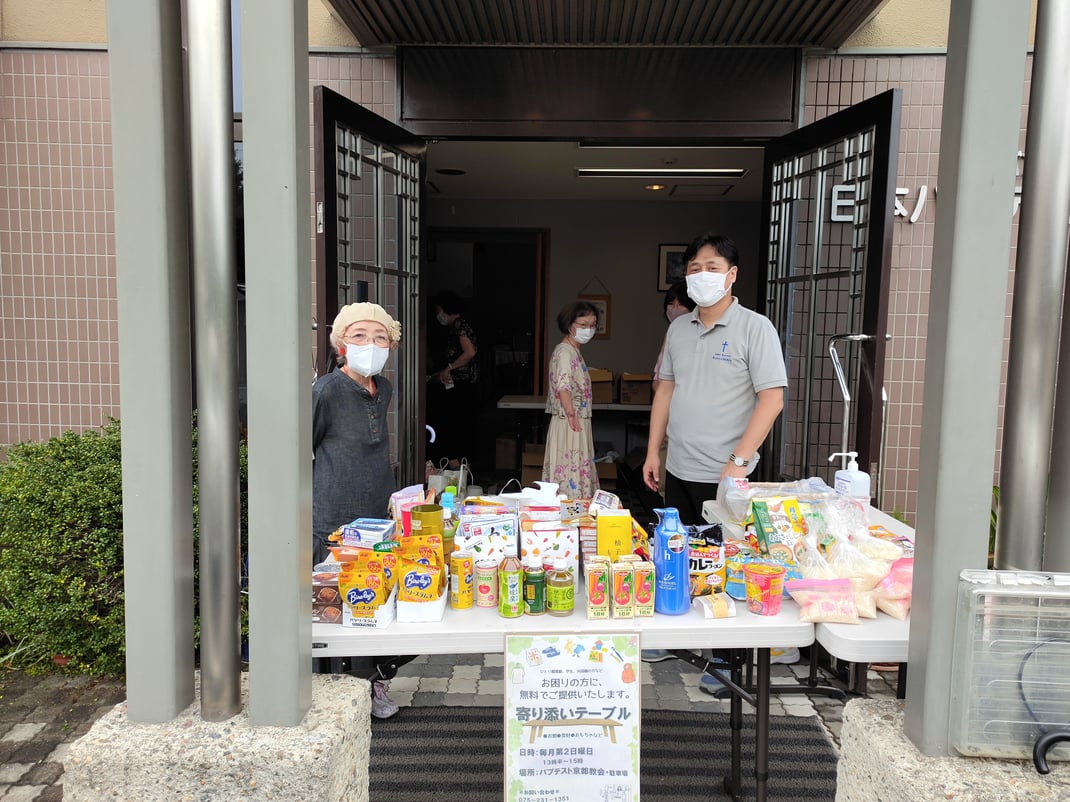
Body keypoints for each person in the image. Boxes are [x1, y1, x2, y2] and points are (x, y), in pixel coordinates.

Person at [643, 232, 787, 525]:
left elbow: (773, 401)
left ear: (732, 274)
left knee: (722, 550)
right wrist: (653, 452)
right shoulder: (678, 329)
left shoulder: (756, 328)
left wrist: (739, 461)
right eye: (695, 269)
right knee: (680, 546)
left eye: (712, 267)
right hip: (677, 468)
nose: (702, 275)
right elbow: (665, 391)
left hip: (726, 474)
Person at [313, 301, 404, 719]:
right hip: (334, 516)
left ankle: (372, 685)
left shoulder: (384, 389)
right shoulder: (326, 391)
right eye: (360, 336)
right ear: (341, 345)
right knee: (335, 610)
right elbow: (303, 446)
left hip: (377, 517)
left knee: (377, 602)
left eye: (380, 337)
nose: (371, 344)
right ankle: (332, 695)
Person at [542, 300, 601, 498]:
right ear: (569, 324)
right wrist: (571, 413)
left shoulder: (573, 351)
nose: (588, 330)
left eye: (592, 325)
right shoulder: (565, 352)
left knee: (575, 471)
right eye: (583, 325)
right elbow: (563, 386)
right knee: (569, 473)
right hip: (570, 422)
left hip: (575, 420)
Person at [653, 280, 696, 496]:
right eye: (671, 304)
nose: (674, 309)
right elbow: (659, 379)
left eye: (681, 304)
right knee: (665, 482)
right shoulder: (671, 335)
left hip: (689, 423)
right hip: (668, 420)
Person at [427, 290, 479, 468]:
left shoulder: (460, 326)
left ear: (447, 309)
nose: (438, 315)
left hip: (461, 385)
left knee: (455, 423)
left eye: (439, 311)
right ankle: (458, 462)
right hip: (459, 385)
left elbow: (470, 352)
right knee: (456, 423)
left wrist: (449, 368)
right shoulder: (455, 327)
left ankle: (457, 462)